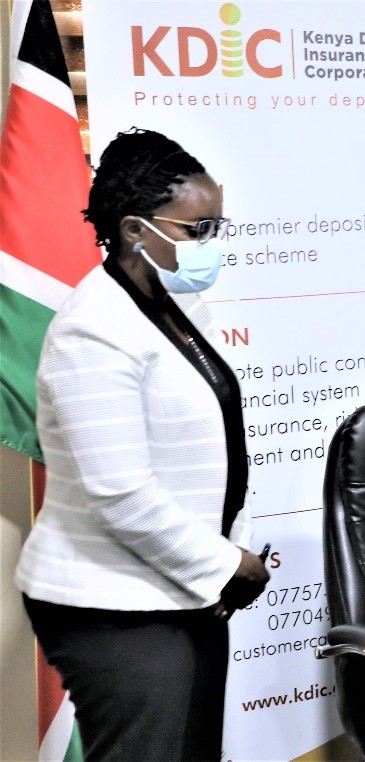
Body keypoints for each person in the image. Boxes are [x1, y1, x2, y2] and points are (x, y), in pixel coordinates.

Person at [15, 128, 268, 761]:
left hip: (184, 590)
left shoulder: (173, 305)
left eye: (217, 226)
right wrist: (226, 565)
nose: (211, 243)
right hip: (115, 604)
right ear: (134, 230)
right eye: (197, 229)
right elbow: (121, 495)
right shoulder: (93, 331)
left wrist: (220, 562)